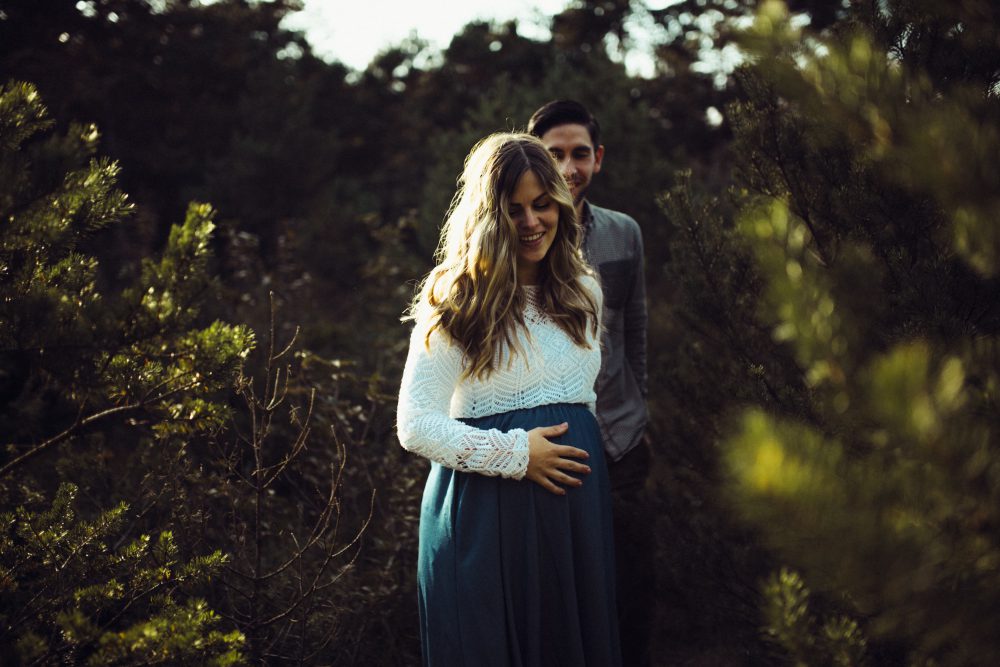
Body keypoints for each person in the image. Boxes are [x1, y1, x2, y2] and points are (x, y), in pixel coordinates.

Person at [396, 132, 621, 666]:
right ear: (487, 216)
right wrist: (519, 455)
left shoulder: (582, 291)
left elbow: (581, 400)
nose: (531, 223)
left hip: (574, 519)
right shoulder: (455, 299)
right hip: (487, 517)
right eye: (512, 210)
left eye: (542, 205)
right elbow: (415, 424)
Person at [529, 100, 653, 666]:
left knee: (633, 590)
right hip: (555, 446)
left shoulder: (625, 235)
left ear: (598, 158)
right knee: (565, 591)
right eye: (554, 154)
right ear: (533, 160)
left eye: (580, 153)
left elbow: (636, 326)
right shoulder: (522, 237)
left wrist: (639, 405)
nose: (569, 167)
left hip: (624, 442)